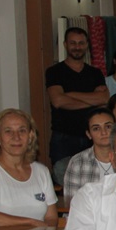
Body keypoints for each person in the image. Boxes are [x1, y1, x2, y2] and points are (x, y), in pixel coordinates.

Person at [0, 109, 58, 230]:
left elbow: (51, 217)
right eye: (8, 131)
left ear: (31, 136)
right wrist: (28, 223)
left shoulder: (41, 171)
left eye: (22, 130)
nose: (16, 137)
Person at [45, 27, 109, 182]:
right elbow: (58, 101)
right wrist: (91, 101)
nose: (77, 47)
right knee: (65, 182)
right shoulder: (54, 71)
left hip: (91, 137)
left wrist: (71, 95)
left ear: (87, 45)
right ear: (65, 44)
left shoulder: (95, 73)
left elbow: (104, 99)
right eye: (73, 43)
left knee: (95, 181)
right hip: (63, 138)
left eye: (81, 43)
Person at [63, 107, 116, 197]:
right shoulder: (78, 162)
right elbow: (71, 202)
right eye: (96, 128)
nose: (103, 132)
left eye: (108, 127)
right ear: (88, 134)